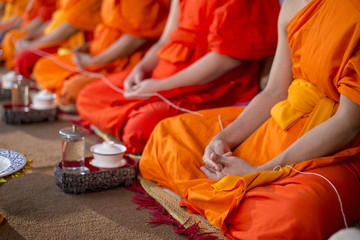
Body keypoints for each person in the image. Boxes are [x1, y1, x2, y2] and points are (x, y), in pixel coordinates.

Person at [139, 0, 360, 239]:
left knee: (291, 216)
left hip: (335, 146)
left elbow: (349, 122)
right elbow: (275, 91)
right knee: (167, 136)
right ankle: (236, 189)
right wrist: (224, 137)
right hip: (280, 121)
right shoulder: (293, 4)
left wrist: (262, 171)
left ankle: (238, 192)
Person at [76, 0, 280, 154]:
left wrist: (161, 86)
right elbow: (167, 38)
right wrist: (141, 68)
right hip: (163, 70)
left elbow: (227, 59)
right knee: (88, 95)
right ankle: (134, 113)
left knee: (139, 129)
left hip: (212, 85)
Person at [32, 0, 170, 107]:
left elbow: (136, 38)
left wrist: (94, 61)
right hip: (95, 54)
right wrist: (90, 46)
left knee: (73, 89)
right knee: (43, 66)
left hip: (122, 64)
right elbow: (108, 26)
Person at [12, 0, 101, 79]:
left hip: (74, 42)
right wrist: (32, 38)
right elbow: (54, 19)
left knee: (25, 58)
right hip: (57, 36)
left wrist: (33, 44)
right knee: (13, 40)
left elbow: (70, 27)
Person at [1, 0, 57, 68]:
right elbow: (20, 17)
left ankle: (12, 64)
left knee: (13, 39)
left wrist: (31, 40)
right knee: (11, 36)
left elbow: (44, 19)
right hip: (32, 30)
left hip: (54, 40)